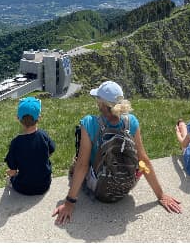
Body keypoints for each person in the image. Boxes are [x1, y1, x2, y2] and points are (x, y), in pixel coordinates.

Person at [52, 80, 181, 225]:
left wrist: (69, 203)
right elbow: (143, 159)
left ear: (101, 103)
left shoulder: (89, 122)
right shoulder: (131, 122)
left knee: (76, 161)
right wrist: (161, 195)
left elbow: (83, 165)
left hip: (98, 188)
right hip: (123, 188)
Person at [4, 97, 56, 196]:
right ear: (39, 117)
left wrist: (10, 173)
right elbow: (51, 150)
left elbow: (13, 169)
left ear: (18, 118)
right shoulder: (44, 135)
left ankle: (11, 181)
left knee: (11, 176)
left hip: (23, 187)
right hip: (44, 185)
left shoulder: (16, 142)